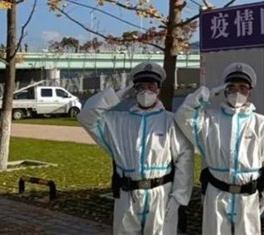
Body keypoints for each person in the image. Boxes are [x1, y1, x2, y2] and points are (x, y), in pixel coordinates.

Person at [78, 62, 193, 235]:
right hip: (127, 196)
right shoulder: (117, 121)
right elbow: (87, 116)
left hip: (160, 195)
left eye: (151, 86)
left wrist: (179, 196)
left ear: (158, 89)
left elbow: (185, 158)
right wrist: (117, 95)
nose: (146, 91)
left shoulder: (171, 121)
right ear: (135, 89)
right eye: (141, 86)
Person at [175, 62, 264, 234]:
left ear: (250, 93)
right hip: (216, 195)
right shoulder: (209, 120)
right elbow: (183, 116)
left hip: (248, 198)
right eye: (232, 88)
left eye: (243, 88)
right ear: (224, 91)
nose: (237, 93)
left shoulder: (261, 123)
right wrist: (206, 94)